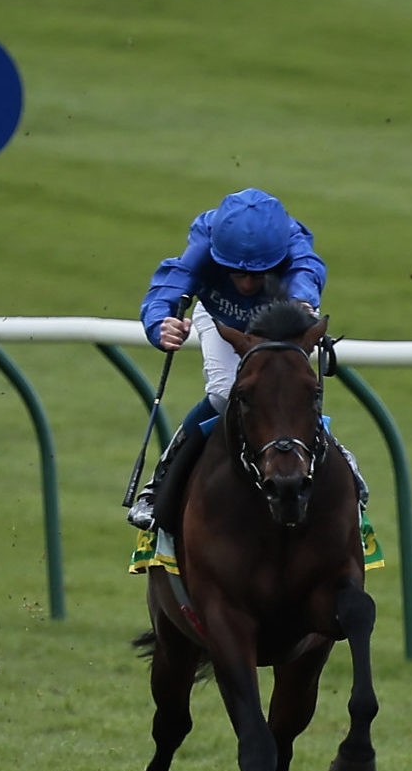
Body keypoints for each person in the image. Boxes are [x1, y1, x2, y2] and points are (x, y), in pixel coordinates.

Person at [125, 187, 361, 531]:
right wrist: (160, 322)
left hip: (280, 316)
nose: (248, 284)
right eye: (237, 273)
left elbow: (307, 268)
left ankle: (341, 460)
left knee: (292, 390)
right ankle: (159, 483)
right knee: (224, 394)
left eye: (258, 273)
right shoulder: (205, 242)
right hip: (222, 320)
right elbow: (171, 283)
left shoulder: (291, 240)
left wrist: (302, 301)